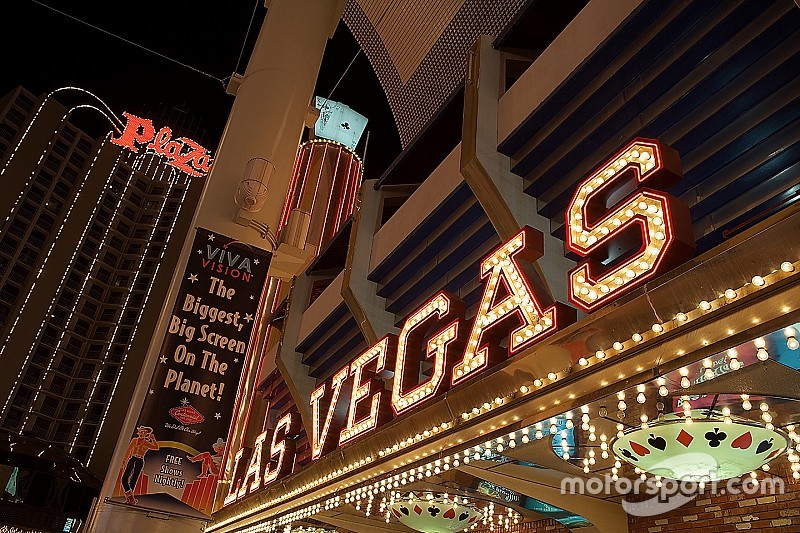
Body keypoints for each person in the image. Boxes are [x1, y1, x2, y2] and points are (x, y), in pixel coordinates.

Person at [120, 426, 159, 504]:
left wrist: (153, 439)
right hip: (132, 458)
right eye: (141, 432)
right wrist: (124, 460)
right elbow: (129, 449)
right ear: (139, 432)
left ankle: (130, 499)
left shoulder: (146, 442)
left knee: (134, 479)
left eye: (144, 432)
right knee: (124, 478)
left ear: (146, 434)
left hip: (140, 460)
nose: (142, 434)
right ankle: (130, 498)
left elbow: (156, 447)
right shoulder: (134, 440)